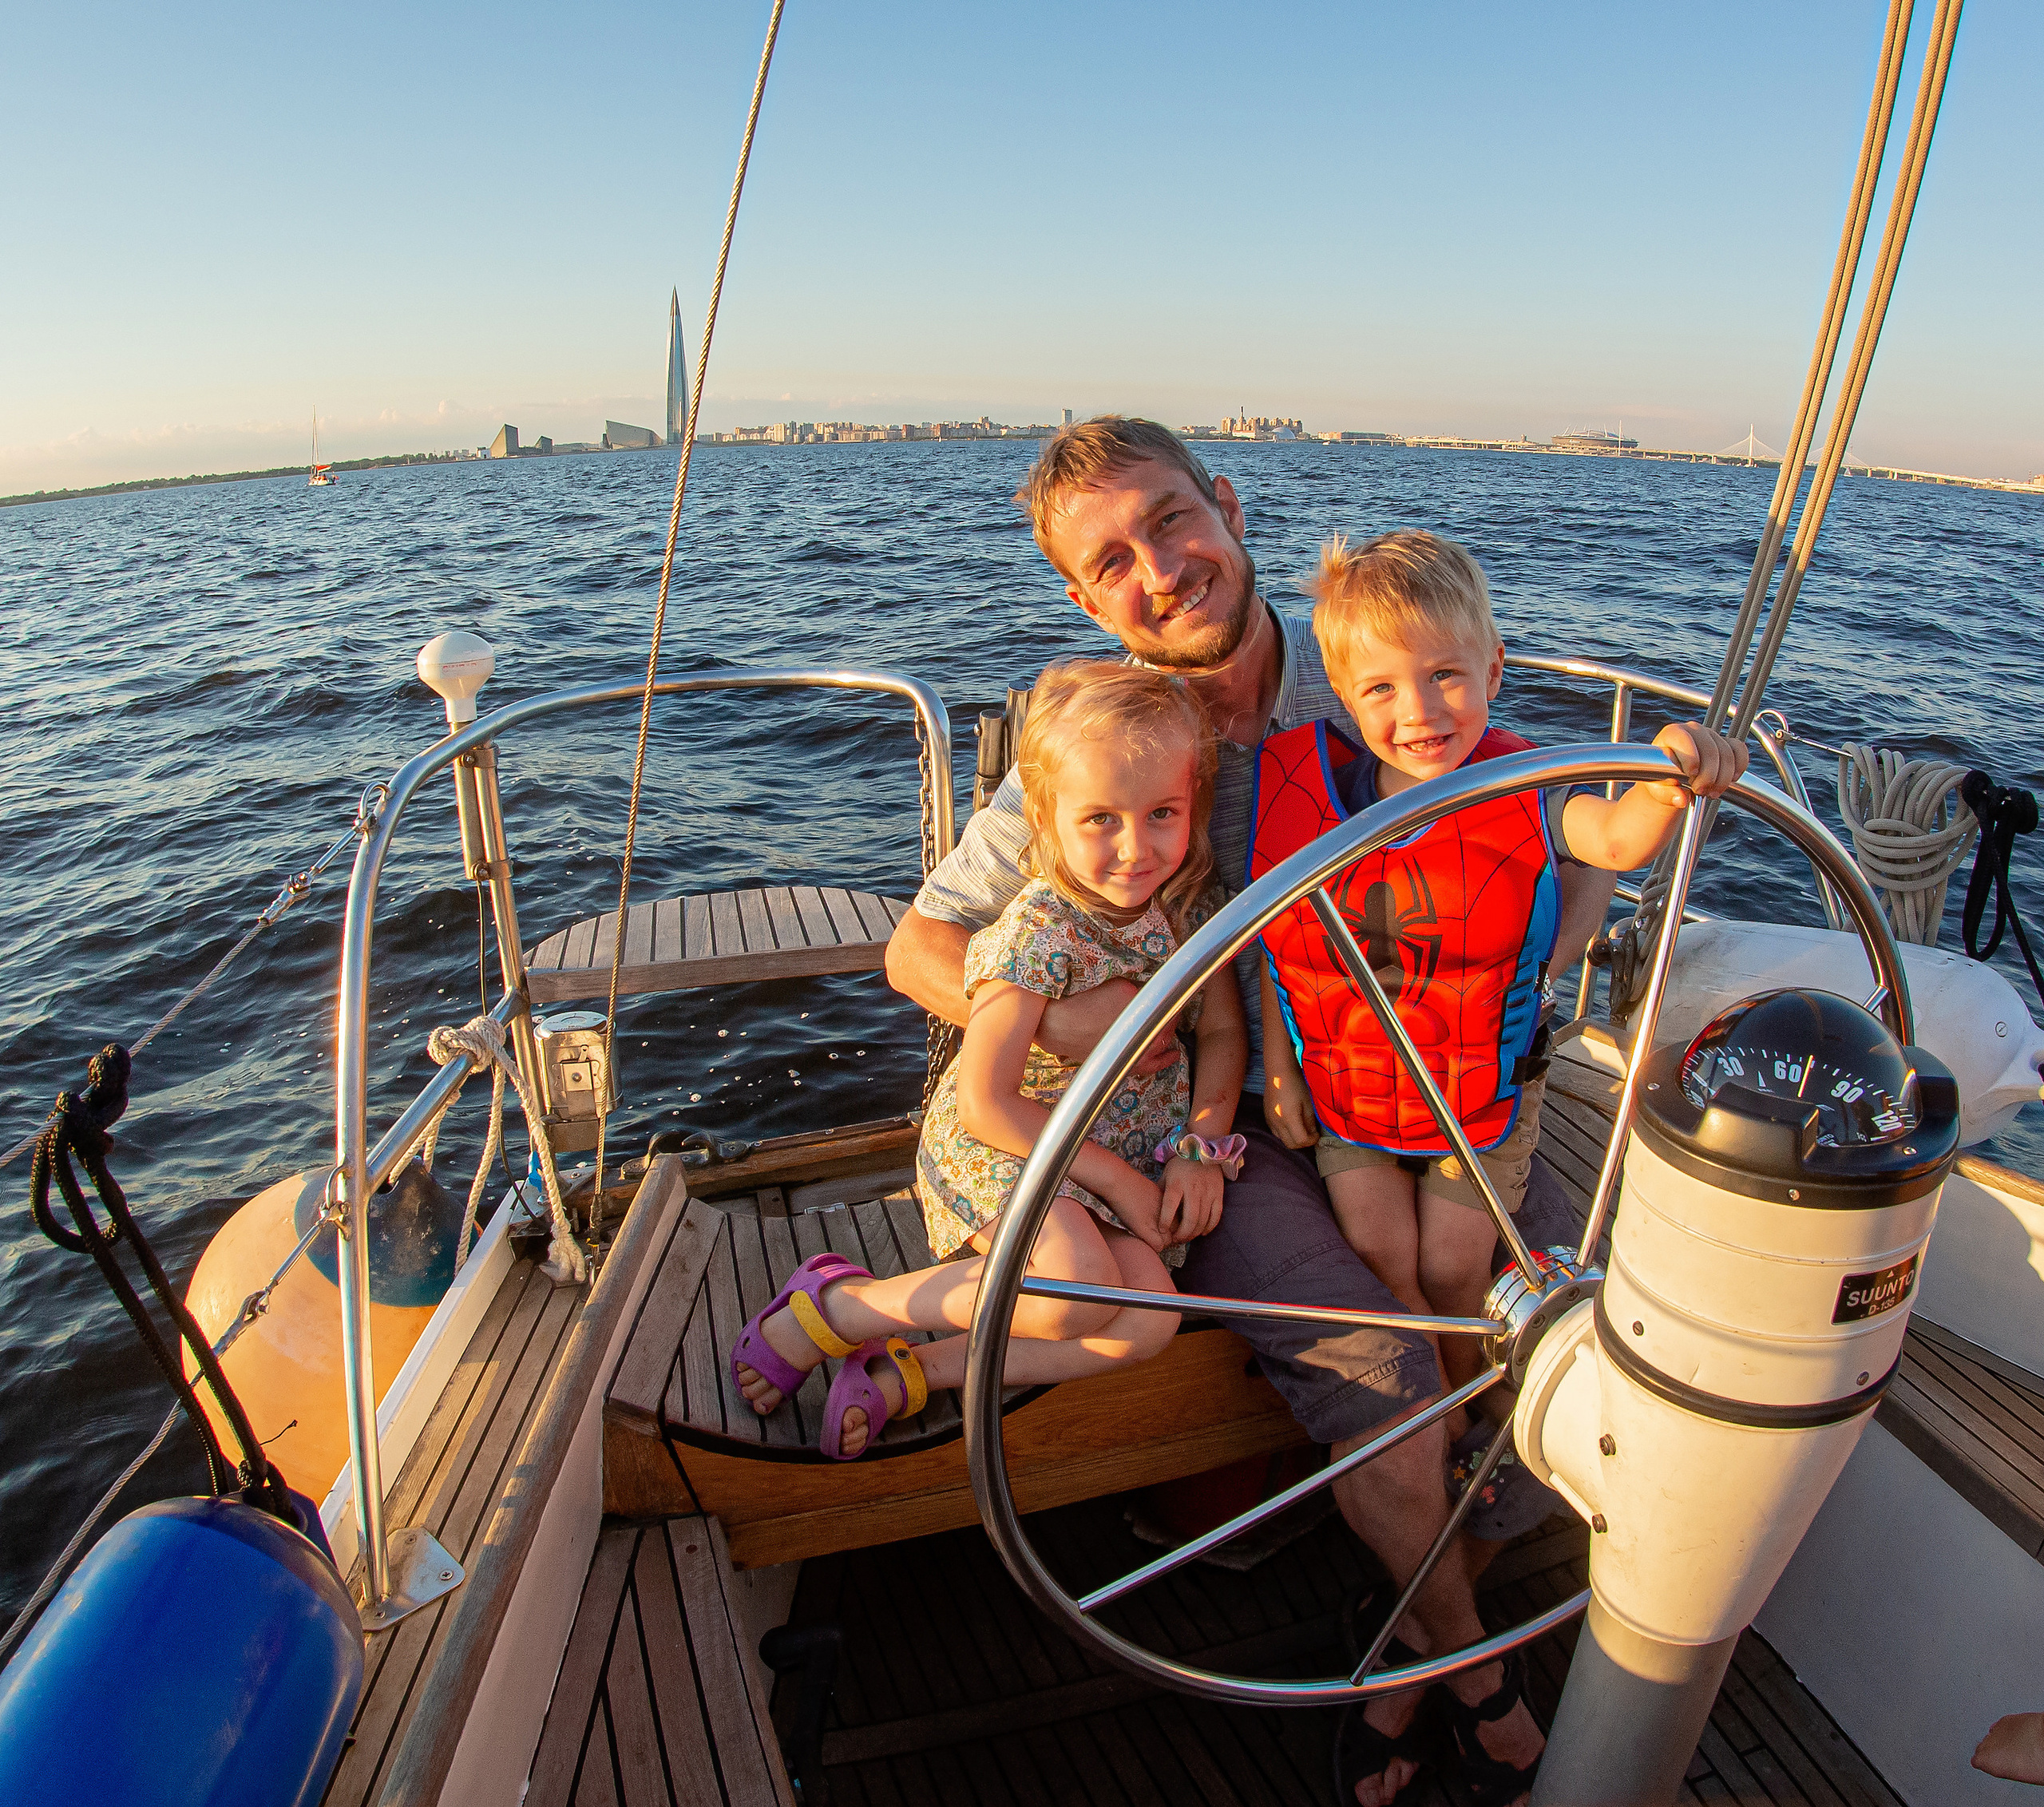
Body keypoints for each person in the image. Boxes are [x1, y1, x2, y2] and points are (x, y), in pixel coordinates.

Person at [887, 415, 1619, 1805]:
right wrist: (1101, 1020)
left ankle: (1402, 1632)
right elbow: (918, 950)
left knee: (1592, 1340)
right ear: (1082, 601)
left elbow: (1540, 852)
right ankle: (1462, 1669)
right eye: (1111, 561)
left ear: (1225, 502)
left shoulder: (1372, 677)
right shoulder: (1100, 743)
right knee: (1403, 1397)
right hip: (1219, 1136)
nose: (1158, 568)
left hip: (1437, 1097)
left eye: (1170, 520)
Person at [1255, 530, 1748, 1413]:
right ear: (1340, 694)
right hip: (1346, 1089)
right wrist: (1284, 1072)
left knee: (1451, 1266)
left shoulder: (1529, 786)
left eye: (1446, 675)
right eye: (1381, 687)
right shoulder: (1301, 794)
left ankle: (1485, 1416)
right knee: (1383, 1258)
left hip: (1477, 1093)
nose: (1420, 710)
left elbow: (1619, 838)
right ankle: (1439, 1421)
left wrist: (1670, 775)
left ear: (1493, 669)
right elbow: (1280, 945)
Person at [731, 660, 1246, 1460]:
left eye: (1162, 813)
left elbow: (1219, 1034)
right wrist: (1118, 1179)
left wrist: (1200, 1149)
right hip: (1007, 1149)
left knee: (1150, 1316)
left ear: (1193, 808)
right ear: (1045, 819)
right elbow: (984, 1105)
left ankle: (916, 1371)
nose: (1135, 848)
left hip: (1114, 1156)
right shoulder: (1036, 935)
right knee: (1076, 1286)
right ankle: (844, 1307)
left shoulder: (1190, 913)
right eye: (1100, 818)